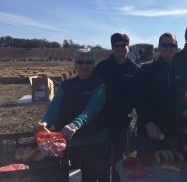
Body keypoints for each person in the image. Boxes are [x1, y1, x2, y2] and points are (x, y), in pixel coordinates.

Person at [36, 48, 109, 182]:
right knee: (70, 176)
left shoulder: (99, 85)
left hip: (94, 141)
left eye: (89, 62)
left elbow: (91, 110)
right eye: (80, 62)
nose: (84, 66)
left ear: (94, 64)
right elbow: (54, 106)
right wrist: (45, 122)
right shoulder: (66, 84)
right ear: (74, 64)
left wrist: (75, 124)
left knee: (90, 177)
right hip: (70, 142)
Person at [92, 33, 139, 181]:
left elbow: (138, 95)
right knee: (103, 157)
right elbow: (93, 90)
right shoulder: (102, 67)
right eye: (116, 46)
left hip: (123, 120)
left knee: (119, 157)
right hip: (103, 120)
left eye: (122, 45)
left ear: (128, 47)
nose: (119, 49)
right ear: (112, 47)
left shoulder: (135, 69)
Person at [136, 33, 181, 154]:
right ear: (159, 47)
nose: (168, 48)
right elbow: (138, 99)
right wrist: (147, 122)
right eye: (164, 44)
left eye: (172, 45)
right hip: (149, 131)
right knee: (146, 169)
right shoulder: (146, 69)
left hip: (172, 132)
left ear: (176, 47)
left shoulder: (182, 71)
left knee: (171, 169)